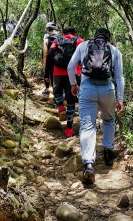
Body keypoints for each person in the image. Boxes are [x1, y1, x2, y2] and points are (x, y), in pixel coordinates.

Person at [67, 28, 124, 184]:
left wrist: (73, 85)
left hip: (87, 90)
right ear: (108, 38)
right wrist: (120, 99)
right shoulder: (114, 50)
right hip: (107, 90)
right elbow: (119, 77)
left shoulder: (83, 46)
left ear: (95, 36)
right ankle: (107, 151)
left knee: (87, 126)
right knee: (108, 119)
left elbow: (70, 67)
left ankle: (89, 165)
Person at [46, 26, 83, 138]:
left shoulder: (58, 40)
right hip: (73, 73)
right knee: (71, 100)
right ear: (74, 32)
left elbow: (50, 55)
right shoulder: (79, 40)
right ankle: (69, 129)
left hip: (57, 72)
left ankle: (61, 107)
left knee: (57, 92)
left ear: (64, 32)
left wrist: (47, 72)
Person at [41, 22, 59, 96]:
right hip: (58, 61)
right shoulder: (60, 38)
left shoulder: (46, 39)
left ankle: (47, 90)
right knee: (56, 78)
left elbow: (45, 54)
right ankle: (57, 94)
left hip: (50, 61)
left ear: (48, 29)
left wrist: (45, 65)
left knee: (47, 75)